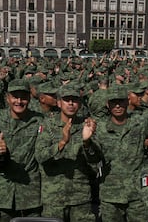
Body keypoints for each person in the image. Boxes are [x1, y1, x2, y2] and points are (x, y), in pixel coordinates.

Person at [35, 85, 101, 221]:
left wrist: (87, 142)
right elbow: (40, 156)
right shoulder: (48, 125)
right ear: (59, 103)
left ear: (80, 104)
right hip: (53, 197)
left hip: (80, 197)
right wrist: (62, 143)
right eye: (66, 100)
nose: (71, 103)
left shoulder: (87, 125)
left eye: (74, 100)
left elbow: (96, 159)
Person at [96, 86, 148, 222]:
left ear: (127, 101)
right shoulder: (100, 128)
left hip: (137, 193)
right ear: (107, 104)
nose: (117, 106)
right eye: (113, 102)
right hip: (110, 193)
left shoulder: (140, 122)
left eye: (121, 101)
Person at [0, 79, 43, 221]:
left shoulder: (39, 121)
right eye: (15, 96)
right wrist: (0, 153)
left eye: (23, 97)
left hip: (30, 192)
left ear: (29, 98)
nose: (19, 101)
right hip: (3, 192)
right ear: (7, 98)